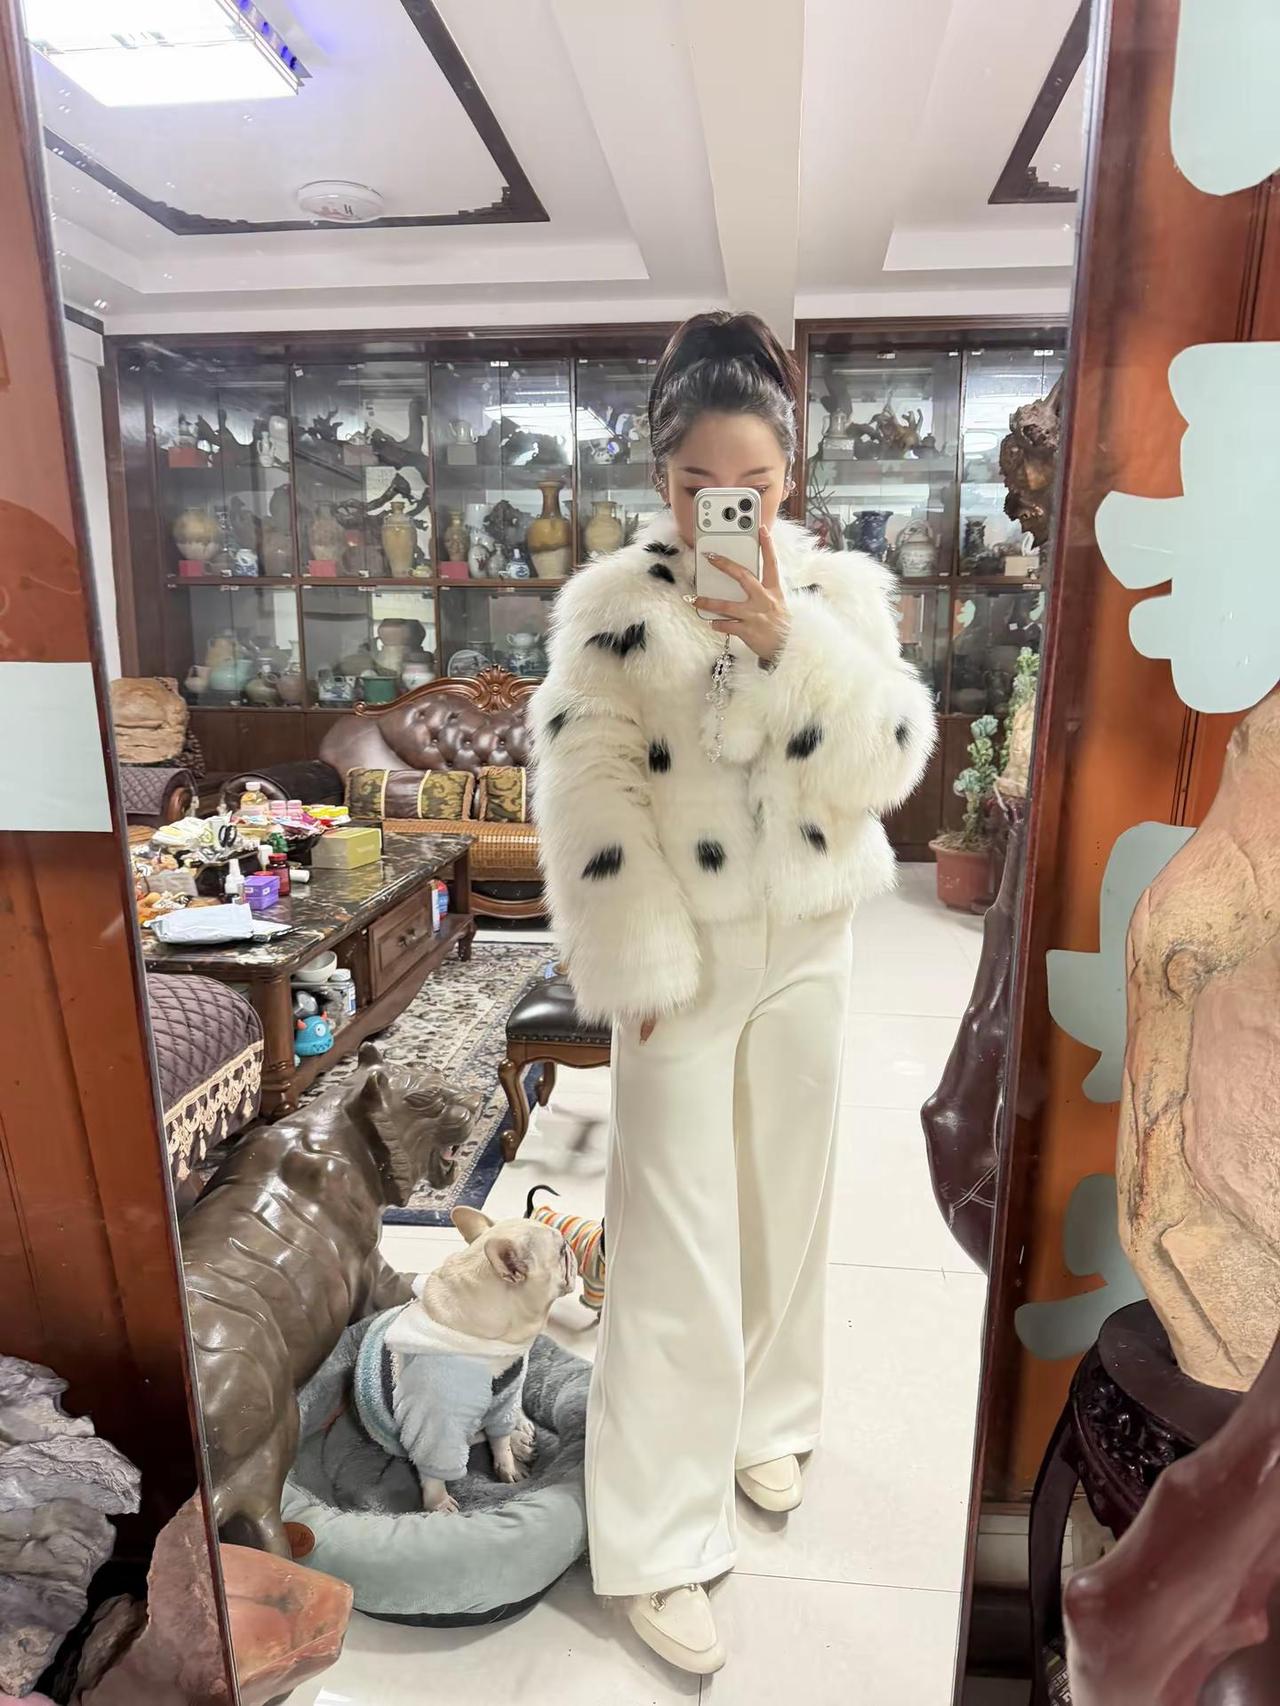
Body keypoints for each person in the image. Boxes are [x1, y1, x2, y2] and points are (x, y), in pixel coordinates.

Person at [529, 311, 936, 1674]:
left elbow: (887, 761)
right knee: (672, 1233)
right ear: (663, 480)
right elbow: (586, 784)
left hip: (810, 936)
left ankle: (770, 1415)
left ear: (790, 477)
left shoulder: (842, 597)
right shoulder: (611, 608)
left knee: (789, 1198)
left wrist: (788, 639)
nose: (730, 508)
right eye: (702, 484)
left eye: (754, 485)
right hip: (683, 960)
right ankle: (657, 1529)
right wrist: (634, 955)